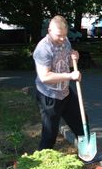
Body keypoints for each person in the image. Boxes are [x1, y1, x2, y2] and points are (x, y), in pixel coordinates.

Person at [32, 15, 84, 150]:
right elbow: (45, 77)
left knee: (82, 124)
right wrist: (70, 76)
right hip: (49, 95)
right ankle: (43, 164)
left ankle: (87, 155)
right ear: (49, 31)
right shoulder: (43, 48)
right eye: (59, 35)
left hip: (65, 92)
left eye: (64, 35)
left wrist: (75, 59)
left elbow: (68, 66)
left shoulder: (66, 42)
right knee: (50, 134)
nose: (62, 39)